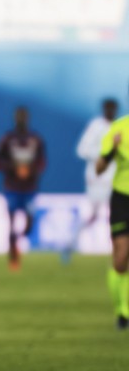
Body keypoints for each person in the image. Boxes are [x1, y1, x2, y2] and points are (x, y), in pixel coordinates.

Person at [61, 98, 119, 263]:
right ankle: (69, 244)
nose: (110, 111)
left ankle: (117, 251)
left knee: (117, 216)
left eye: (113, 108)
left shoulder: (118, 127)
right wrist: (104, 154)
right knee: (93, 215)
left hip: (115, 179)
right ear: (103, 109)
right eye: (108, 108)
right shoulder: (95, 126)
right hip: (97, 179)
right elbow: (81, 150)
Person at [0, 106, 46, 271]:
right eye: (19, 117)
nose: (21, 119)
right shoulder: (7, 139)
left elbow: (42, 162)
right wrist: (12, 168)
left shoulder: (36, 139)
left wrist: (31, 171)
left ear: (28, 118)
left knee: (29, 223)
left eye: (24, 116)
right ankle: (13, 257)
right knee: (12, 222)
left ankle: (18, 241)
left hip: (29, 188)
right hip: (11, 187)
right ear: (15, 118)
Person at [96, 106, 129, 329]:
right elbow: (99, 168)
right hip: (122, 199)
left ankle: (125, 312)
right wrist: (111, 151)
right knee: (121, 258)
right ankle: (120, 309)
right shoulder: (118, 128)